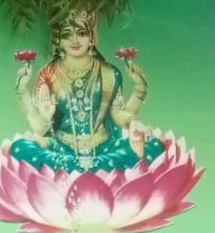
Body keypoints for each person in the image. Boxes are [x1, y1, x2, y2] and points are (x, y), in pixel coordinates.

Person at [9, 9, 158, 174]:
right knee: (19, 149)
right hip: (61, 149)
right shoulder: (48, 74)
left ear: (91, 38)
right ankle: (95, 172)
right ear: (58, 40)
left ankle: (72, 172)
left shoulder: (110, 73)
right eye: (66, 34)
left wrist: (132, 120)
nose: (74, 40)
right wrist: (26, 95)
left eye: (81, 33)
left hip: (103, 148)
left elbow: (116, 113)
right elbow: (38, 128)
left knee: (153, 146)